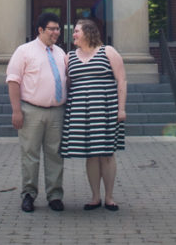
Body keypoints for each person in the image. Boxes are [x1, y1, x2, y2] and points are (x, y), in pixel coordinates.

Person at [59, 18, 127, 211]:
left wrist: (121, 109)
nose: (73, 35)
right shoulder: (69, 56)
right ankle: (95, 197)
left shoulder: (108, 52)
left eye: (77, 31)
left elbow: (121, 80)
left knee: (106, 154)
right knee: (90, 154)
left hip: (105, 109)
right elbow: (66, 83)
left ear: (89, 32)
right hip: (80, 112)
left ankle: (110, 197)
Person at [6, 11, 68, 213]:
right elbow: (13, 80)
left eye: (58, 28)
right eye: (52, 29)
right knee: (30, 154)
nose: (56, 32)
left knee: (55, 155)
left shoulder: (60, 53)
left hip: (57, 112)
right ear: (40, 30)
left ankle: (55, 196)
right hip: (31, 110)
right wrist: (16, 111)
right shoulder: (24, 51)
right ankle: (29, 194)